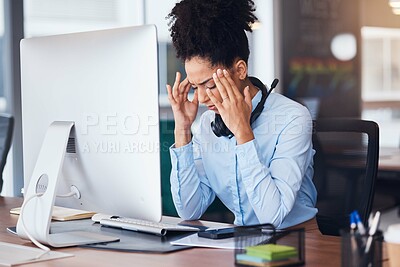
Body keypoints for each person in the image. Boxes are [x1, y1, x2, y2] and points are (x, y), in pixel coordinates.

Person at [166, 0, 317, 229]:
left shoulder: (293, 118)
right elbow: (189, 209)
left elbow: (271, 217)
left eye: (211, 85)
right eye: (196, 88)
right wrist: (183, 129)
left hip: (299, 242)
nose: (202, 98)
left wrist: (243, 133)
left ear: (240, 70)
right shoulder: (208, 124)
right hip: (242, 244)